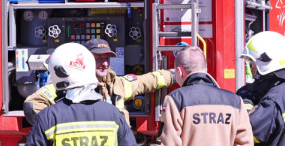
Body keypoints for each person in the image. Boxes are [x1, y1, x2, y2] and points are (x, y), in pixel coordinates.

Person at [24, 37, 174, 126]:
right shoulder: (68, 85)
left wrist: (174, 75)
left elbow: (146, 81)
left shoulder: (117, 84)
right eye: (99, 59)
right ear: (87, 60)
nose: (105, 63)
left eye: (107, 58)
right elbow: (32, 105)